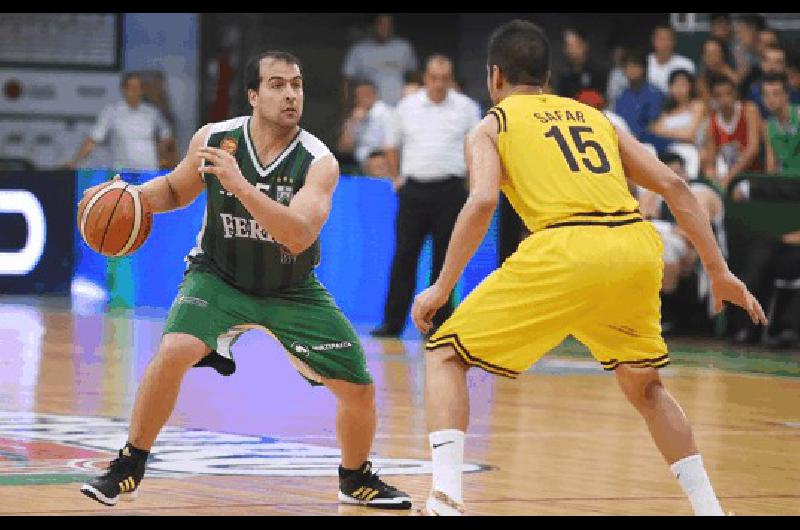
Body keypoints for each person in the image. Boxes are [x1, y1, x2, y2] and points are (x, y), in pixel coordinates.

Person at [410, 19, 765, 516]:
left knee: (445, 354)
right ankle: (711, 510)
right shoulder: (595, 118)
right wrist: (719, 271)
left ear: (494, 77)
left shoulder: (492, 125)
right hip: (634, 247)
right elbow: (678, 189)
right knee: (647, 387)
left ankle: (445, 499)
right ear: (547, 76)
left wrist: (441, 287)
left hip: (566, 248)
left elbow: (484, 199)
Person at [78, 51, 411, 510]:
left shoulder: (318, 161)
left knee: (360, 390)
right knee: (173, 351)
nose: (290, 93)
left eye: (296, 84)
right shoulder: (215, 140)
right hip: (220, 276)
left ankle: (354, 477)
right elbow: (176, 189)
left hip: (290, 287)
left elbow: (297, 234)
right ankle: (129, 465)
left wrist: (241, 187)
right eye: (277, 84)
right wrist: (133, 198)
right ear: (254, 96)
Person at [371, 55, 481, 338]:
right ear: (425, 78)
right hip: (414, 191)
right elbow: (392, 144)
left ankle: (439, 323)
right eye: (434, 78)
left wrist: (471, 182)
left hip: (451, 190)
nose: (439, 84)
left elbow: (476, 147)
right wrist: (396, 178)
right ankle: (393, 322)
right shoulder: (407, 107)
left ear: (451, 79)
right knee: (404, 257)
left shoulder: (467, 108)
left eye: (445, 78)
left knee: (446, 260)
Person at [67, 72, 173, 171]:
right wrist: (75, 162)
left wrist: (162, 155)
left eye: (138, 88)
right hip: (122, 173)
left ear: (142, 90)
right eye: (131, 88)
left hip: (149, 172)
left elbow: (166, 134)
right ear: (124, 90)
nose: (135, 91)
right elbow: (93, 140)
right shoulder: (111, 112)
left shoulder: (152, 112)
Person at [342, 14, 418, 107]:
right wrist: (346, 107)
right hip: (369, 110)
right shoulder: (359, 50)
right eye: (381, 24)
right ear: (373, 25)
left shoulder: (404, 47)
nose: (385, 28)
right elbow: (347, 81)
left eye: (388, 24)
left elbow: (413, 77)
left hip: (399, 108)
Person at [701, 75, 762, 190]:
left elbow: (753, 150)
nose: (725, 100)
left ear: (735, 94)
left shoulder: (749, 110)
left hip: (753, 173)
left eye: (728, 94)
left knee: (737, 192)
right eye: (719, 96)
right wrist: (713, 178)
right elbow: (711, 162)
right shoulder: (712, 122)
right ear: (713, 99)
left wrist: (729, 177)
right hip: (727, 175)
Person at [337, 79, 394, 176]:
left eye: (366, 94)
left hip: (381, 163)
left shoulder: (387, 114)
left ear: (375, 95)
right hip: (358, 164)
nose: (362, 98)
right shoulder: (355, 115)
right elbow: (343, 148)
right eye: (359, 95)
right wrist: (353, 123)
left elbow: (391, 147)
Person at [762, 73, 800, 175]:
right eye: (766, 95)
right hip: (784, 182)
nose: (770, 99)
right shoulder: (767, 126)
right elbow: (771, 163)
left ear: (787, 95)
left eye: (776, 94)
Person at [748, 45, 800, 118]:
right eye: (767, 61)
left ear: (785, 66)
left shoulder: (795, 94)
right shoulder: (752, 92)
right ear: (762, 64)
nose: (771, 67)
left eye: (778, 62)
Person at [556, 28, 607, 99]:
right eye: (568, 46)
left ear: (585, 45)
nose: (572, 50)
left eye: (575, 45)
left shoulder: (599, 72)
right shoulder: (564, 76)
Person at [647, 24, 696, 94]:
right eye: (661, 39)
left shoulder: (686, 64)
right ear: (653, 40)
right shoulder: (644, 62)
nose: (664, 43)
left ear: (674, 41)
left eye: (668, 39)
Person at [697, 37, 740, 103]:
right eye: (707, 53)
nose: (710, 56)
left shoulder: (733, 78)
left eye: (714, 52)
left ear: (722, 54)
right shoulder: (702, 79)